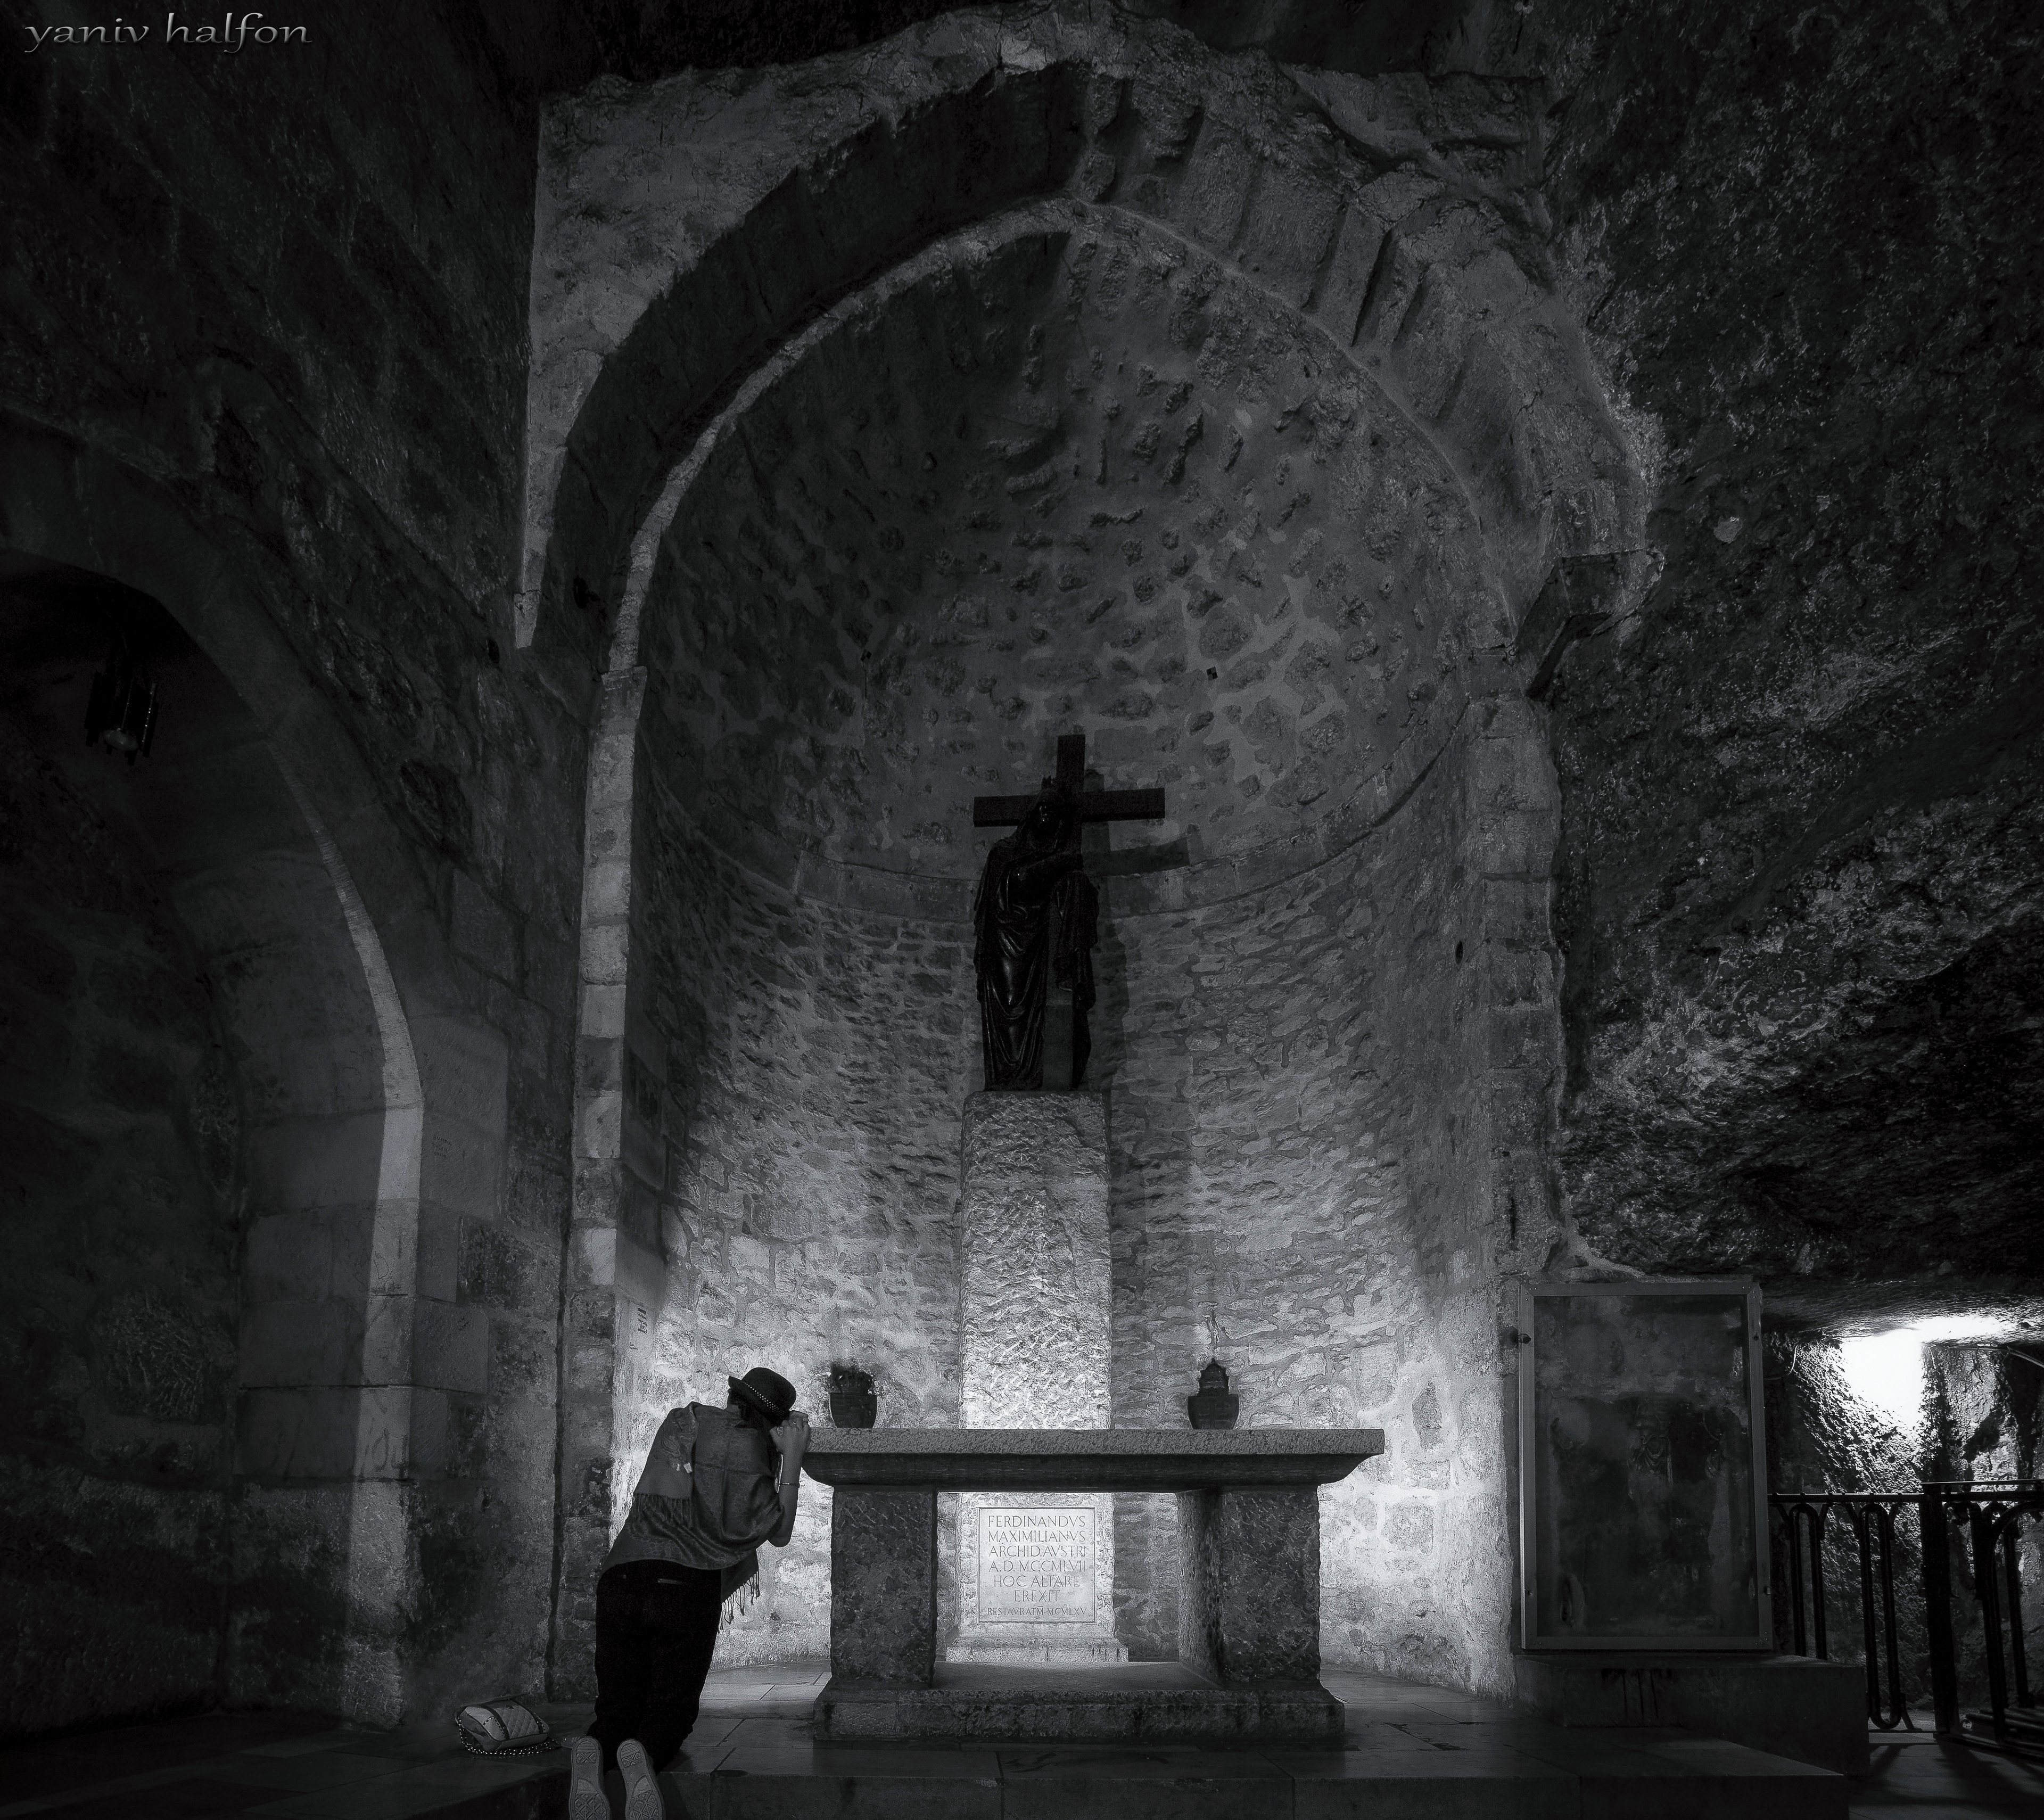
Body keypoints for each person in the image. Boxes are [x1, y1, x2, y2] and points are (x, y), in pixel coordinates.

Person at [568, 1366, 809, 1820]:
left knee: (617, 1706)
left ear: (734, 1397)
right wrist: (791, 1456)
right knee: (671, 1711)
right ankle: (643, 1753)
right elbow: (777, 1532)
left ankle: (594, 1749)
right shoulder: (748, 1446)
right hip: (685, 1584)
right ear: (773, 1422)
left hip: (623, 1574)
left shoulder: (684, 1419)